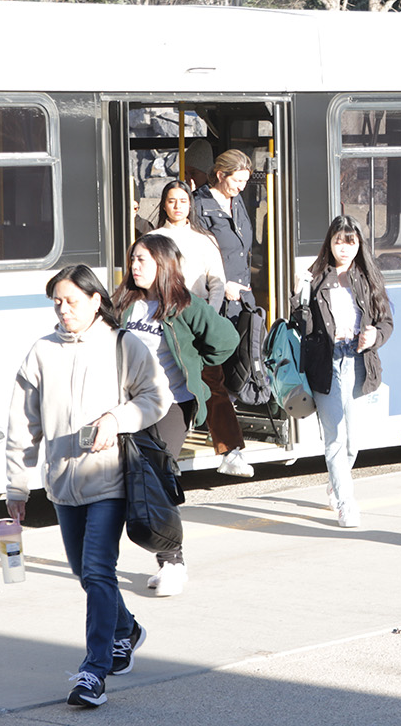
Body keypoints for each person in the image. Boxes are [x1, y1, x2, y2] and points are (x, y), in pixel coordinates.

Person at [4, 265, 171, 708]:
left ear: (96, 300)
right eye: (57, 302)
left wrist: (118, 419)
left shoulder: (122, 344)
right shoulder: (41, 352)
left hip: (110, 478)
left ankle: (93, 672)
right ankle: (127, 629)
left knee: (98, 569)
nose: (63, 309)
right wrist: (17, 487)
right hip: (62, 484)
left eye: (72, 301)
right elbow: (23, 424)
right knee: (84, 573)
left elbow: (157, 396)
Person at [112, 234, 239, 596]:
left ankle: (173, 563)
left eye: (142, 261)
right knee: (133, 482)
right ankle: (164, 557)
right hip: (130, 406)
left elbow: (225, 340)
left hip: (172, 404)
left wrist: (196, 366)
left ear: (162, 265)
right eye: (133, 259)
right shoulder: (123, 303)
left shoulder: (185, 306)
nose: (134, 266)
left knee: (155, 480)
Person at [298, 216, 394, 529]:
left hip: (358, 361)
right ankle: (346, 502)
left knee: (354, 441)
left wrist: (374, 337)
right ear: (330, 242)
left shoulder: (367, 278)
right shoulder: (314, 279)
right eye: (339, 240)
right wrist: (298, 300)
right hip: (325, 364)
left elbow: (387, 322)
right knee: (336, 438)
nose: (344, 247)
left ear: (358, 245)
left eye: (350, 241)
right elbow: (301, 325)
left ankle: (335, 480)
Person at [192, 149, 257, 477]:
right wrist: (221, 284)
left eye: (245, 181)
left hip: (241, 301)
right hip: (214, 303)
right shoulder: (199, 205)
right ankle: (229, 449)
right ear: (220, 174)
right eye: (237, 180)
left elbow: (242, 248)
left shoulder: (237, 201)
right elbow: (195, 257)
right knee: (215, 376)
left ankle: (218, 428)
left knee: (242, 370)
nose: (242, 187)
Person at [149, 180, 227, 308]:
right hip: (161, 311)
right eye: (171, 201)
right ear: (164, 205)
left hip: (197, 311)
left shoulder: (205, 240)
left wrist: (210, 314)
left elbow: (218, 283)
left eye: (183, 201)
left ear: (190, 204)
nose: (177, 206)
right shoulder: (151, 239)